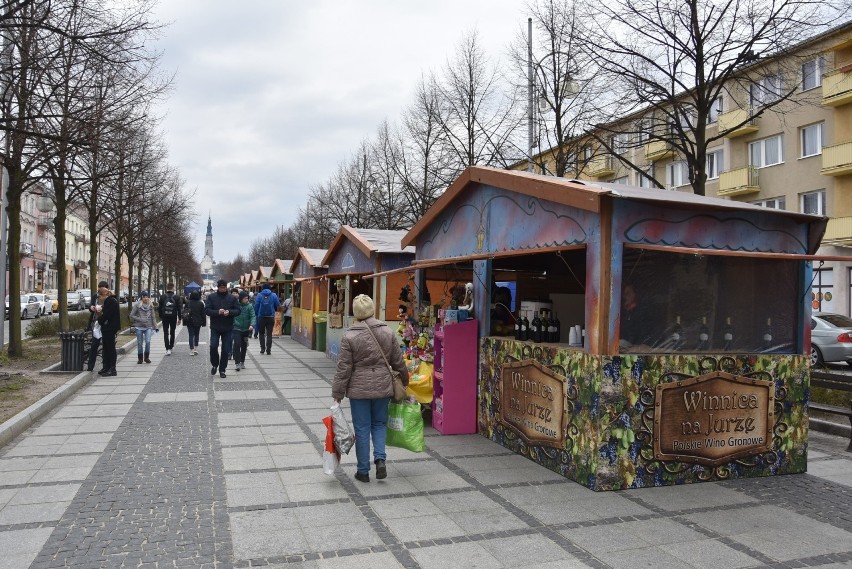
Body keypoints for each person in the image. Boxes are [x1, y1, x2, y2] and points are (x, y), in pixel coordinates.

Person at [332, 294, 409, 483]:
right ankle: (380, 459)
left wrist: (337, 393)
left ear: (356, 312)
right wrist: (404, 381)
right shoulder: (387, 331)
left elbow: (344, 368)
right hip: (383, 386)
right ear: (372, 309)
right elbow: (398, 361)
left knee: (362, 428)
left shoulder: (349, 335)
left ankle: (363, 471)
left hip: (359, 389)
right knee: (379, 424)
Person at [205, 279, 240, 378]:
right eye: (221, 287)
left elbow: (238, 310)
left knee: (226, 350)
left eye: (224, 287)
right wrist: (217, 312)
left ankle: (222, 370)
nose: (222, 289)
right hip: (215, 326)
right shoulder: (211, 297)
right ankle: (215, 364)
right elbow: (207, 310)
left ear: (226, 287)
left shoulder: (232, 298)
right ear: (218, 287)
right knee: (213, 346)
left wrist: (229, 312)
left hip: (228, 327)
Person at [96, 281, 121, 376]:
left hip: (110, 328)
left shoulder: (110, 301)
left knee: (110, 349)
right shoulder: (111, 301)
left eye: (100, 297)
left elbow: (107, 315)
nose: (99, 299)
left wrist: (99, 319)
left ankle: (112, 369)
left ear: (104, 295)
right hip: (109, 327)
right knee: (106, 348)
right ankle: (106, 367)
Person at [130, 291, 158, 364]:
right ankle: (140, 358)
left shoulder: (150, 306)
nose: (146, 298)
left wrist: (156, 327)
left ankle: (146, 357)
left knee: (148, 341)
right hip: (139, 327)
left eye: (147, 297)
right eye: (144, 297)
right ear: (141, 297)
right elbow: (132, 315)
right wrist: (140, 319)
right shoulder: (137, 305)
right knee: (139, 343)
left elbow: (153, 317)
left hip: (148, 326)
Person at [232, 290, 256, 371]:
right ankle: (237, 363)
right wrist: (234, 323)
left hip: (246, 329)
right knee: (237, 344)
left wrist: (252, 324)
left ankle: (242, 361)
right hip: (236, 328)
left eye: (247, 298)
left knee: (244, 346)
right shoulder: (236, 305)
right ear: (241, 298)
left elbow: (253, 315)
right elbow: (232, 314)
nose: (247, 300)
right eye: (245, 298)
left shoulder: (249, 306)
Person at [254, 283, 280, 355]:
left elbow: (256, 305)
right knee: (269, 334)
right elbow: (278, 305)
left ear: (262, 288)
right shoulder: (273, 295)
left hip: (261, 317)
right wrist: (273, 309)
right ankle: (268, 349)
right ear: (269, 288)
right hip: (270, 317)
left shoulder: (259, 295)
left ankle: (262, 349)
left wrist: (257, 313)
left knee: (261, 333)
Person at [158, 283, 182, 355]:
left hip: (165, 317)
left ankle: (167, 348)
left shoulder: (162, 296)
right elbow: (179, 308)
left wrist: (161, 316)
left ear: (167, 288)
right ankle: (171, 346)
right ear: (173, 288)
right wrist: (179, 318)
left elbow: (159, 308)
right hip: (173, 316)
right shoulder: (177, 297)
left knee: (165, 332)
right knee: (172, 332)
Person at [86, 289, 103, 372]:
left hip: (104, 325)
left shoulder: (109, 298)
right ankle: (90, 366)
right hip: (95, 324)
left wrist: (102, 308)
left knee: (106, 346)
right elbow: (90, 307)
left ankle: (106, 366)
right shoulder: (95, 297)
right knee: (94, 346)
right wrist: (91, 307)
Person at [185, 290, 206, 355]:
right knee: (197, 334)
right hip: (198, 321)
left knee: (191, 335)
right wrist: (204, 322)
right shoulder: (201, 303)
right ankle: (196, 348)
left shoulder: (188, 303)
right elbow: (203, 314)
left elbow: (185, 313)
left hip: (189, 321)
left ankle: (192, 349)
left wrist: (184, 322)